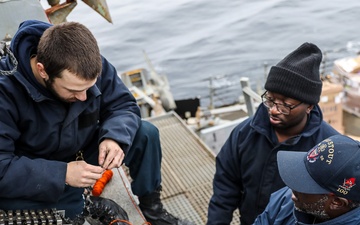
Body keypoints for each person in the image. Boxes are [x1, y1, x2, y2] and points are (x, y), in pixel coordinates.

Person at [0, 19, 192, 225]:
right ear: (43, 70)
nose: (84, 97)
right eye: (74, 90)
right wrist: (62, 174)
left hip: (82, 149)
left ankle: (153, 210)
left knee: (146, 133)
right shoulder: (5, 93)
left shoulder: (88, 63)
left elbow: (123, 104)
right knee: (70, 212)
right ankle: (83, 203)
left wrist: (114, 137)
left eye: (88, 88)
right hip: (38, 169)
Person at [206, 42, 340, 225]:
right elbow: (225, 186)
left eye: (285, 104)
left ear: (309, 106)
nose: (274, 110)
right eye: (270, 99)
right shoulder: (244, 133)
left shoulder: (330, 148)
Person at [253, 134, 360, 225]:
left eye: (306, 187)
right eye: (303, 176)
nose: (292, 194)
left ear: (336, 203)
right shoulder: (288, 201)